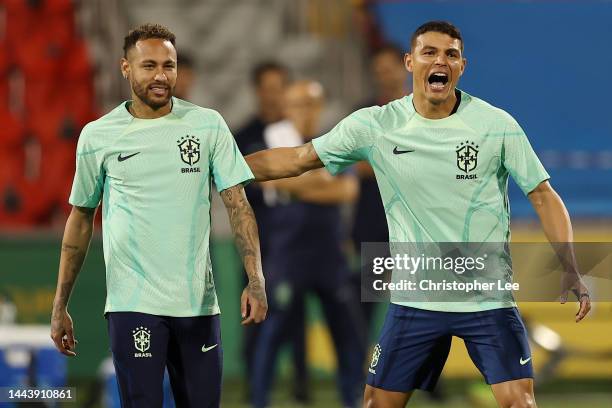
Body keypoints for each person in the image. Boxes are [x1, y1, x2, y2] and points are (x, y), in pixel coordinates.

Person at [245, 21, 591, 408]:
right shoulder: (375, 125)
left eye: (451, 54)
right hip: (416, 300)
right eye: (430, 52)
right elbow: (298, 158)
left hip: (485, 298)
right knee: (377, 402)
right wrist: (230, 166)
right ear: (411, 62)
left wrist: (570, 265)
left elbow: (543, 195)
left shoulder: (496, 126)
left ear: (462, 66)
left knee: (519, 403)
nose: (440, 60)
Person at [50, 23, 267, 408]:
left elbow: (238, 206)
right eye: (148, 66)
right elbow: (80, 220)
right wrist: (60, 304)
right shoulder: (98, 136)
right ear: (125, 68)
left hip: (198, 307)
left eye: (169, 65)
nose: (161, 76)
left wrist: (256, 280)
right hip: (133, 306)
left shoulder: (207, 125)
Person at [251, 80, 364, 408]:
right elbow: (278, 182)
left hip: (330, 256)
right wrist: (318, 179)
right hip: (288, 256)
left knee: (348, 336)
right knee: (272, 334)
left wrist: (298, 182)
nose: (306, 110)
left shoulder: (334, 142)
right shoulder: (272, 141)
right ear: (286, 107)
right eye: (299, 104)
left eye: (312, 103)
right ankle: (259, 400)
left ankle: (352, 399)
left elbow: (347, 191)